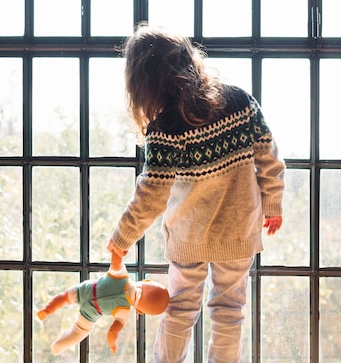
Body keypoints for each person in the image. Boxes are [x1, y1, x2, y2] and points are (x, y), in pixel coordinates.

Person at [107, 23, 286, 363]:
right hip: (239, 230)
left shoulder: (166, 129)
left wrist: (123, 237)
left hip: (190, 235)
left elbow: (152, 193)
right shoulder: (240, 101)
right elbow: (269, 154)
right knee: (229, 308)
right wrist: (272, 202)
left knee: (180, 308)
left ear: (144, 83)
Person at [37, 252, 169, 356]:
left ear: (146, 280)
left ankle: (48, 309)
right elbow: (112, 332)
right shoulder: (124, 311)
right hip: (91, 312)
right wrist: (112, 344)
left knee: (64, 297)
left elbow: (116, 260)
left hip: (87, 290)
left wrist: (118, 250)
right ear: (140, 311)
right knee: (79, 332)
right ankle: (59, 346)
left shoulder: (122, 276)